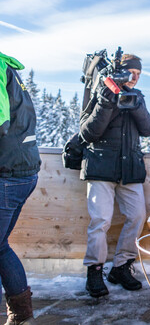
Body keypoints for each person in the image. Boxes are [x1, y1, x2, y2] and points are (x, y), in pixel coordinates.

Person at [79, 53, 150, 298]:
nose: (134, 78)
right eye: (130, 73)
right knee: (100, 220)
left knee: (137, 215)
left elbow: (149, 128)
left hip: (129, 169)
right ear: (120, 72)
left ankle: (122, 266)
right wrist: (107, 99)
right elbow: (88, 132)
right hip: (101, 167)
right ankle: (94, 270)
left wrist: (136, 105)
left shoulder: (138, 97)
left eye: (138, 74)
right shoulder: (100, 93)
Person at [0, 52, 41, 324]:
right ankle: (21, 315)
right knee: (0, 246)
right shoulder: (7, 69)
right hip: (23, 172)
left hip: (7, 174)